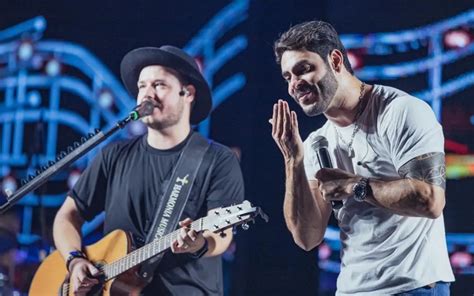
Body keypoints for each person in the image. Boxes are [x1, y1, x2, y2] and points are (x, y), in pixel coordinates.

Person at [270, 21, 454, 295]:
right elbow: (307, 237)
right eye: (288, 77)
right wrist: (293, 160)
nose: (295, 85)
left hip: (413, 288)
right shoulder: (317, 143)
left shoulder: (401, 111)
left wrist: (354, 186)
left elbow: (431, 200)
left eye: (303, 69)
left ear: (334, 60)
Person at [53, 45, 245, 295]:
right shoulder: (114, 155)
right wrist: (75, 259)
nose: (147, 94)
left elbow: (221, 236)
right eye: (142, 86)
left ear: (187, 93)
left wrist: (198, 242)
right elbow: (67, 215)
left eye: (159, 85)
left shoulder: (217, 159)